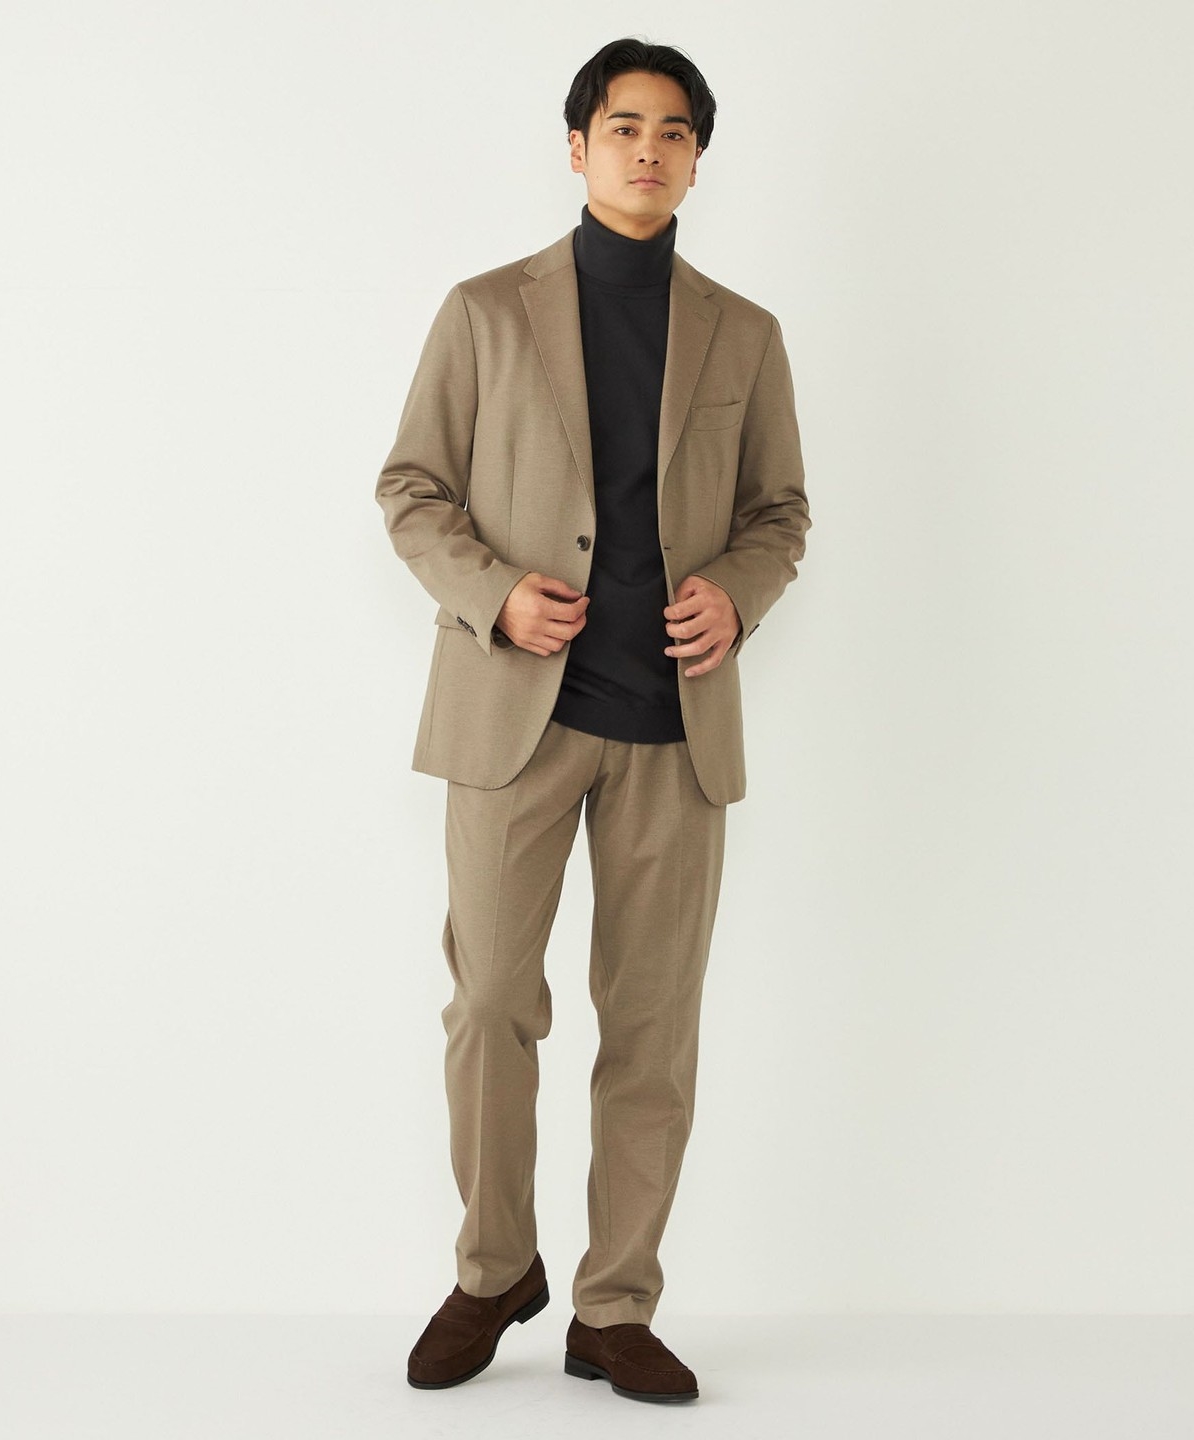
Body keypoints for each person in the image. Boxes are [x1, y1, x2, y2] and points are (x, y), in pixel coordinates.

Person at [374, 37, 810, 1405]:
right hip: (515, 721)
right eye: (624, 126)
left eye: (674, 132)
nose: (647, 150)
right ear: (578, 147)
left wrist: (739, 593)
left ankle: (615, 1307)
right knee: (492, 1004)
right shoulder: (484, 312)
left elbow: (779, 514)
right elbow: (411, 488)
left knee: (652, 1030)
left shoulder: (745, 334)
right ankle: (494, 1267)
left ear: (697, 160)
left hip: (675, 734)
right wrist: (494, 595)